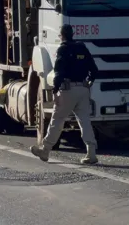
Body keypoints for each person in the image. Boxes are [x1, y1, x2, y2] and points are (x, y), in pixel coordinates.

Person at [30, 24, 100, 165]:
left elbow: (59, 72)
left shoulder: (62, 49)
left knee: (57, 120)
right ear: (72, 34)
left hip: (67, 90)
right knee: (84, 121)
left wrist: (55, 90)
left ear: (61, 35)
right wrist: (89, 82)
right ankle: (91, 153)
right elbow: (94, 69)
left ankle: (45, 149)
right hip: (83, 89)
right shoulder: (82, 47)